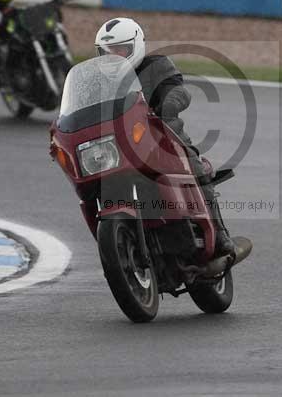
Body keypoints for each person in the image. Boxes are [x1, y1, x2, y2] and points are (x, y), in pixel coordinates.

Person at [94, 17, 236, 258]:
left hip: (164, 137)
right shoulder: (99, 80)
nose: (114, 56)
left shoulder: (156, 65)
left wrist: (169, 103)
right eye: (107, 52)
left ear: (136, 46)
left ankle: (220, 234)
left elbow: (179, 90)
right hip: (119, 148)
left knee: (194, 166)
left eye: (120, 50)